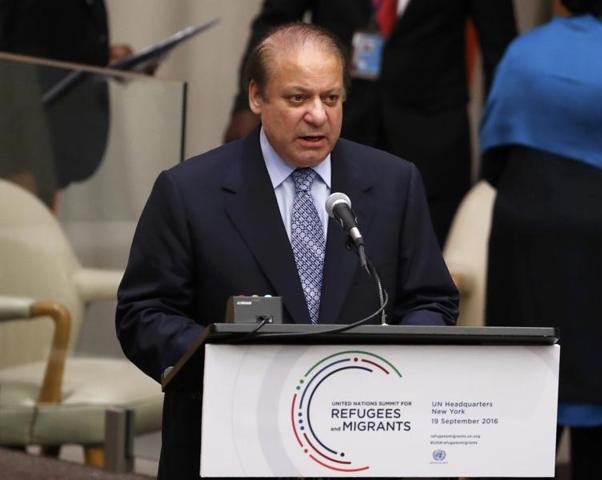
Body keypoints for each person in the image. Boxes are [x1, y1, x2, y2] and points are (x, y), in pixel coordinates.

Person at [117, 23, 458, 479]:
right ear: (256, 97)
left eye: (331, 99)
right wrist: (227, 363)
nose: (318, 115)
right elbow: (143, 312)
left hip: (360, 442)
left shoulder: (395, 182)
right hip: (232, 439)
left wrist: (386, 365)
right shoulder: (189, 191)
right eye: (298, 99)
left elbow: (432, 300)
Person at [480, 0, 602, 478]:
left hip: (526, 237)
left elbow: (492, 159)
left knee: (523, 392)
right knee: (601, 390)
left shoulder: (522, 53)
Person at [224, 0, 518, 246]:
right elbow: (276, 23)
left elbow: (499, 49)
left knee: (421, 267)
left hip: (432, 140)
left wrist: (499, 152)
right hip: (336, 127)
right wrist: (246, 107)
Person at [0, 0, 132, 208]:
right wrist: (24, 160)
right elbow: (15, 53)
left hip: (55, 147)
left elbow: (52, 40)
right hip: (23, 152)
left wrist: (105, 55)